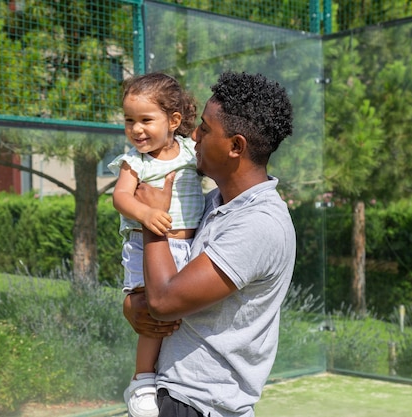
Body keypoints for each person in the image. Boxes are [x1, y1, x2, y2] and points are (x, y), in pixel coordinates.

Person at [125, 71, 296, 417]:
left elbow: (164, 300)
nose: (193, 136)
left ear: (236, 147)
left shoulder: (259, 225)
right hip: (172, 395)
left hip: (198, 405)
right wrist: (132, 306)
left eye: (204, 128)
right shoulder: (216, 202)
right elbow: (155, 299)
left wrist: (152, 219)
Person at [108, 72, 205, 417]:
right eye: (129, 120)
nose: (136, 129)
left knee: (182, 315)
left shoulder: (192, 151)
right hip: (144, 246)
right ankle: (142, 381)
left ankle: (175, 375)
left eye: (146, 120)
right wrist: (147, 213)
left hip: (187, 248)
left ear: (174, 120)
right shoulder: (134, 162)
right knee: (150, 316)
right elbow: (120, 198)